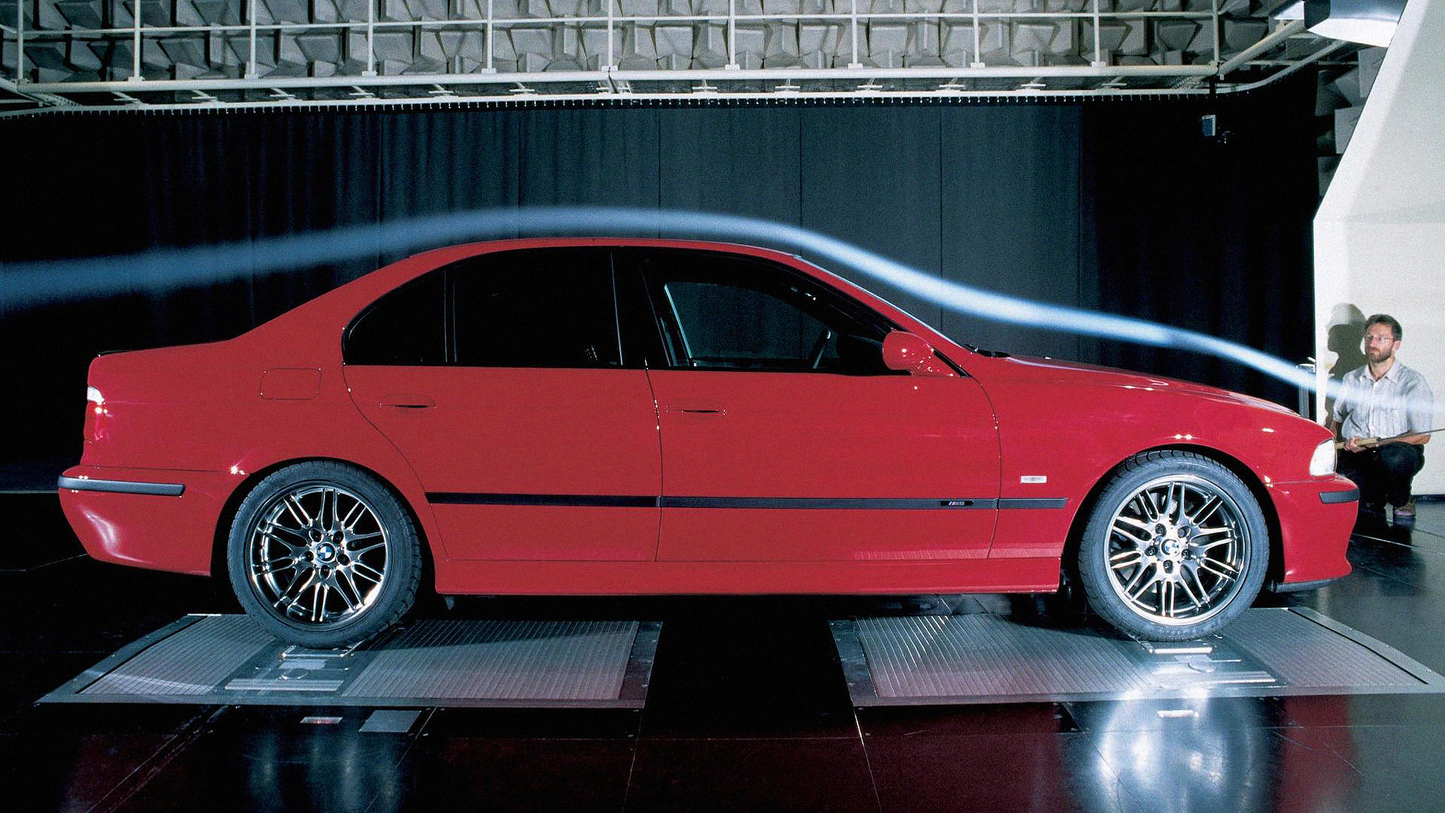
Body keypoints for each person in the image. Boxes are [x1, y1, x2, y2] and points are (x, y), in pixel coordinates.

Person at [1328, 314, 1433, 525]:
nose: (1373, 343)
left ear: (1396, 345)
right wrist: (1338, 445)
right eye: (1369, 337)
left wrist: (1382, 442)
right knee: (1363, 506)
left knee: (1393, 458)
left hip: (1396, 451)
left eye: (1381, 338)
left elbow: (1422, 436)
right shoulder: (1351, 378)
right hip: (1359, 454)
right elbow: (1336, 420)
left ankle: (1401, 499)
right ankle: (1374, 496)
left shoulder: (1412, 382)